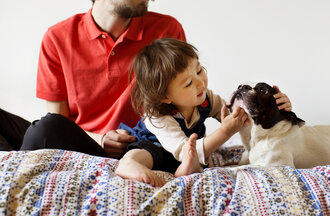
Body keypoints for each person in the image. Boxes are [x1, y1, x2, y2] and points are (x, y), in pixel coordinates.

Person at [0, 0, 186, 159]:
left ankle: (22, 162)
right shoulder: (57, 38)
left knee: (43, 130)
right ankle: (17, 165)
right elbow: (59, 123)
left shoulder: (167, 31)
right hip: (81, 142)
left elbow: (183, 110)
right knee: (41, 126)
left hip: (137, 147)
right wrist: (102, 139)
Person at [114, 38, 292, 186]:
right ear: (164, 97)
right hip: (157, 147)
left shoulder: (205, 98)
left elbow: (238, 116)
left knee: (197, 162)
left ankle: (185, 170)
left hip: (185, 155)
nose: (200, 83)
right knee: (145, 152)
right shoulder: (158, 116)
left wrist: (275, 107)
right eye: (188, 83)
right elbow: (184, 149)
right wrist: (225, 131)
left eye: (199, 71)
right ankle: (129, 164)